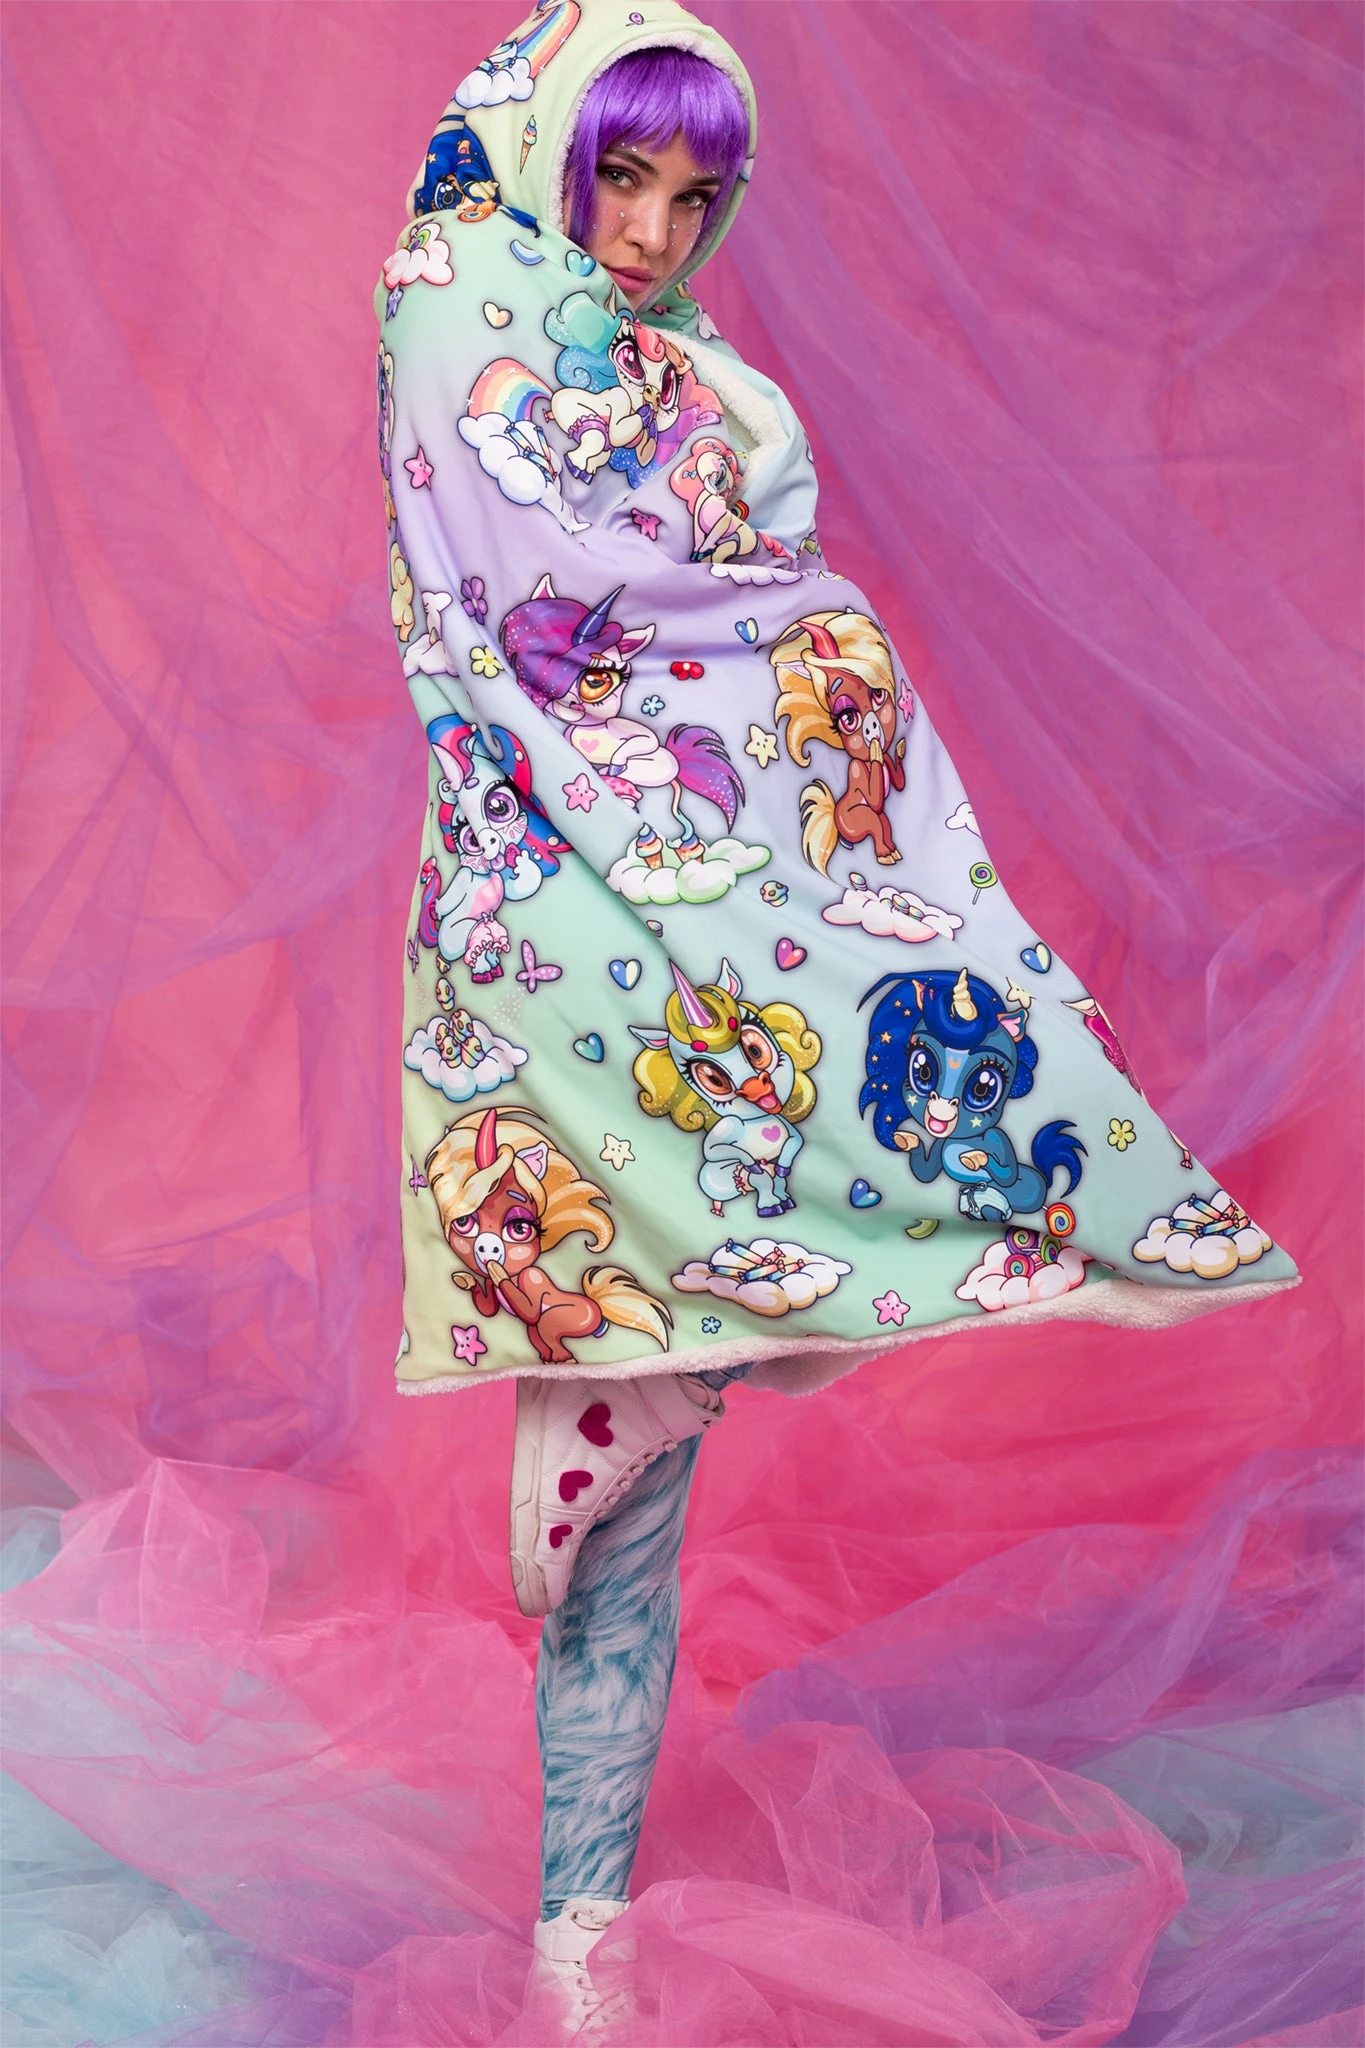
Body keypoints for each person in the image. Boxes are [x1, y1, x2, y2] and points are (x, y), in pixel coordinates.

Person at [376, 0, 1297, 2021]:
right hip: (562, 910)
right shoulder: (453, 290)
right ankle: (639, 1410)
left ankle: (579, 1942)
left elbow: (760, 602)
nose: (648, 233)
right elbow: (597, 595)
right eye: (619, 178)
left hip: (711, 906)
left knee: (675, 1396)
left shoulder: (701, 372)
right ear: (544, 153)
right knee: (669, 1275)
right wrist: (777, 605)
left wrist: (795, 615)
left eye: (692, 199)